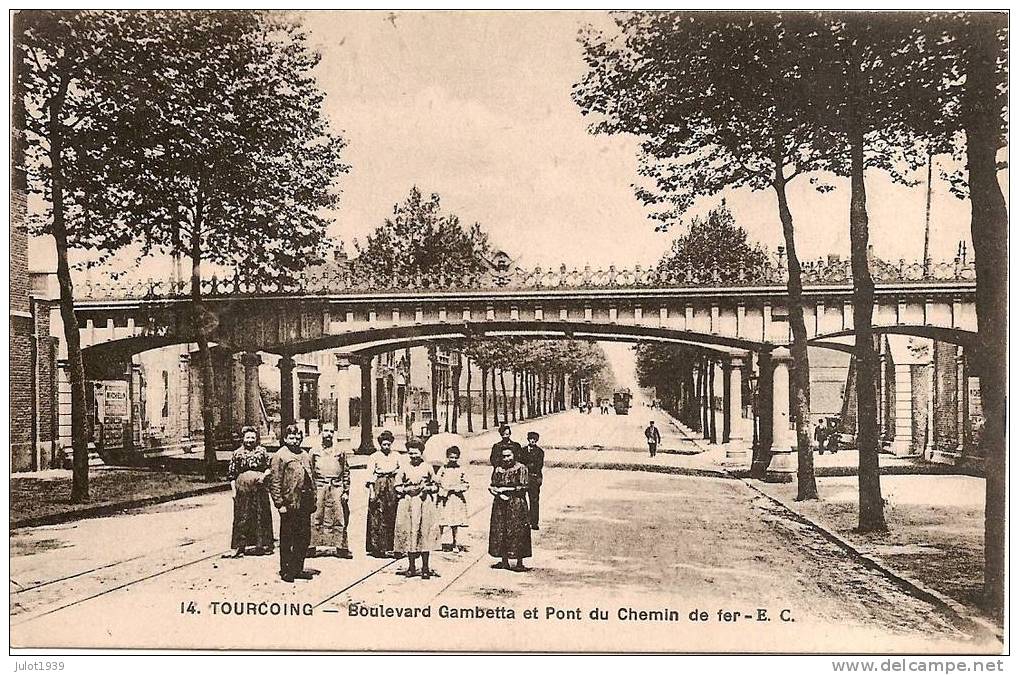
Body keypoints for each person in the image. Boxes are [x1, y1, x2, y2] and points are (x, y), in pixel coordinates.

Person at [269, 425, 317, 583]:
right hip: (289, 503)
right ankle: (286, 570)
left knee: (303, 537)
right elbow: (275, 481)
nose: (295, 440)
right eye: (291, 437)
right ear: (285, 439)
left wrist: (314, 498)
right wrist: (279, 503)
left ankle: (298, 568)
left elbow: (312, 478)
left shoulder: (305, 455)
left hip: (304, 502)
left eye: (297, 437)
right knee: (287, 538)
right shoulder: (280, 456)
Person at [393, 440, 441, 579]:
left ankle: (425, 567)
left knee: (424, 532)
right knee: (409, 533)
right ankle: (411, 566)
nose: (413, 456)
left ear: (421, 453)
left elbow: (436, 485)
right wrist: (405, 489)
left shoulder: (428, 467)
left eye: (416, 453)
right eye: (411, 453)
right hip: (408, 503)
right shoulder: (403, 467)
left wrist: (428, 488)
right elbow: (397, 485)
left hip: (424, 502)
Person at [224, 426, 274, 558]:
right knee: (242, 515)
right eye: (247, 437)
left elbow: (269, 468)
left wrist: (263, 477)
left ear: (256, 438)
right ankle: (239, 546)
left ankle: (263, 545)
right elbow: (232, 474)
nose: (250, 440)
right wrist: (234, 491)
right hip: (243, 489)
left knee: (261, 514)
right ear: (243, 439)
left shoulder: (262, 451)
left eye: (252, 437)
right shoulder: (237, 453)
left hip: (259, 488)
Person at [308, 431, 353, 559]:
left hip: (336, 486)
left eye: (330, 431)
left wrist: (346, 491)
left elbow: (345, 471)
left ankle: (341, 547)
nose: (328, 434)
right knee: (316, 516)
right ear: (321, 433)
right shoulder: (314, 452)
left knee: (339, 516)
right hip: (319, 486)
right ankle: (311, 546)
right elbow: (310, 472)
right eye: (325, 431)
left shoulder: (340, 452)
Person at [488, 446, 531, 572]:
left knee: (518, 531)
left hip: (516, 503)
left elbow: (524, 487)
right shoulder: (498, 469)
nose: (506, 459)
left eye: (509, 456)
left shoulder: (521, 468)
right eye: (504, 456)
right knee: (500, 530)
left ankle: (519, 562)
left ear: (514, 455)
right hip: (500, 504)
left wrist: (507, 490)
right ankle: (504, 560)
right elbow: (493, 485)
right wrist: (496, 492)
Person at [365, 430, 401, 557]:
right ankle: (378, 547)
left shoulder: (396, 455)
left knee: (392, 514)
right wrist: (371, 493)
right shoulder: (374, 456)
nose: (386, 447)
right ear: (380, 444)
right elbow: (369, 475)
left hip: (392, 484)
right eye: (384, 444)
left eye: (388, 444)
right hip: (378, 485)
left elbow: (401, 471)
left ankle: (393, 546)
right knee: (377, 516)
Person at [436, 446, 470, 552]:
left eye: (455, 458)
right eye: (451, 457)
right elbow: (437, 480)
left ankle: (455, 542)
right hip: (445, 497)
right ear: (447, 457)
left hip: (455, 498)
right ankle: (438, 542)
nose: (453, 460)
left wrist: (458, 488)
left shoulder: (461, 469)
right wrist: (442, 488)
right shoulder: (443, 469)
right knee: (442, 520)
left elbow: (466, 483)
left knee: (454, 522)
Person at [522, 431, 544, 530]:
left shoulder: (540, 452)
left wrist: (529, 466)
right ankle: (524, 521)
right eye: (531, 439)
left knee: (534, 500)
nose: (533, 441)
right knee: (522, 500)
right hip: (524, 478)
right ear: (528, 439)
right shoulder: (522, 450)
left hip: (534, 478)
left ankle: (534, 522)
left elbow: (539, 465)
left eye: (535, 440)